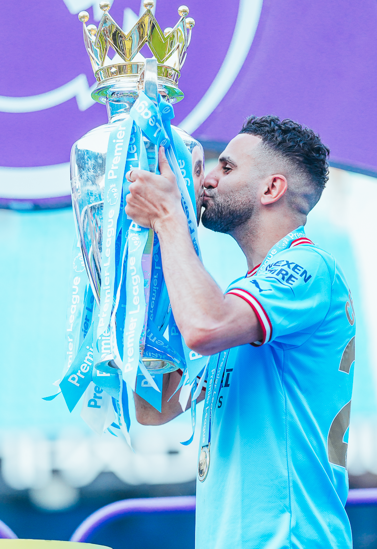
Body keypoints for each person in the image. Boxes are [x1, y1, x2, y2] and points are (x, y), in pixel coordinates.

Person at [125, 115, 356, 548]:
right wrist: (147, 256)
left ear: (272, 188)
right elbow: (154, 406)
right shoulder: (237, 298)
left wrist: (170, 218)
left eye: (226, 168)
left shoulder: (308, 267)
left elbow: (204, 327)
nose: (207, 180)